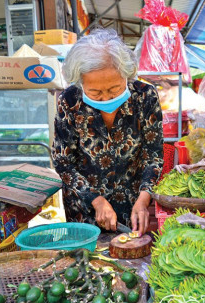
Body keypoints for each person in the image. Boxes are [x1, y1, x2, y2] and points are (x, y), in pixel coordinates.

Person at [51, 28, 163, 236]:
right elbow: (63, 162)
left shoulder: (145, 97)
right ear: (81, 83)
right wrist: (96, 200)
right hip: (84, 210)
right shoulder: (69, 101)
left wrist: (144, 199)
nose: (105, 99)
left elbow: (153, 156)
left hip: (132, 207)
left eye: (114, 89)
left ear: (126, 76)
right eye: (95, 92)